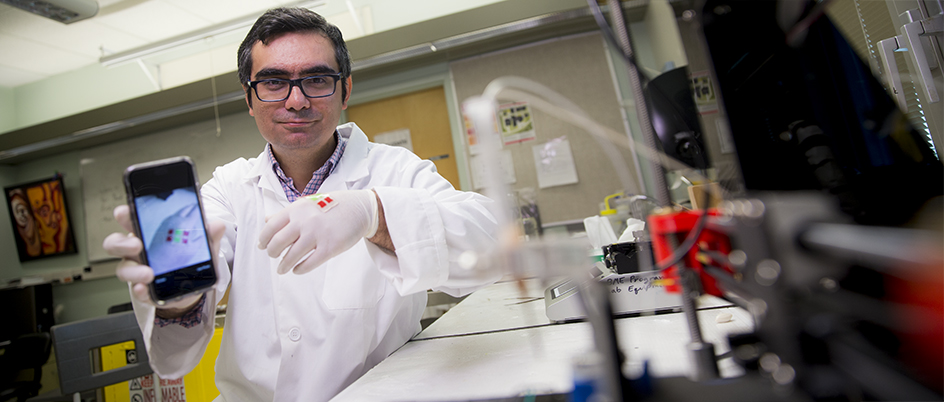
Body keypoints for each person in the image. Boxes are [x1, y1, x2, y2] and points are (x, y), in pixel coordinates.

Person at [104, 7, 502, 402]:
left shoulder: (394, 170)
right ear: (249, 97)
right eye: (274, 82)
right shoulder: (228, 188)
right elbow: (177, 351)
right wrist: (181, 296)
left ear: (345, 90)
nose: (296, 101)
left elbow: (493, 247)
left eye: (316, 79)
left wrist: (374, 213)